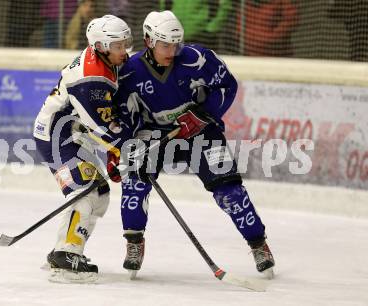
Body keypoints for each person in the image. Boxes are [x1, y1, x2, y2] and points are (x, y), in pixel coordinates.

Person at [109, 10, 275, 279]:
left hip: (201, 132)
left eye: (177, 44)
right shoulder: (129, 72)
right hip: (155, 134)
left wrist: (202, 114)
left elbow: (227, 86)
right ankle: (134, 242)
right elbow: (121, 113)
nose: (173, 51)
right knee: (135, 184)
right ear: (149, 41)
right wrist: (122, 149)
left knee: (230, 192)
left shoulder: (198, 58)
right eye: (165, 45)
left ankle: (258, 244)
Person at [33, 15, 133, 283]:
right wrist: (123, 150)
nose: (125, 51)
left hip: (71, 133)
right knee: (85, 188)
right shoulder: (91, 78)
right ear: (100, 46)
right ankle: (66, 255)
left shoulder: (102, 59)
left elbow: (98, 125)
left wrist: (116, 150)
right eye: (119, 45)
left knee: (99, 193)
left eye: (126, 43)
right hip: (56, 137)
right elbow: (100, 127)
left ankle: (64, 249)